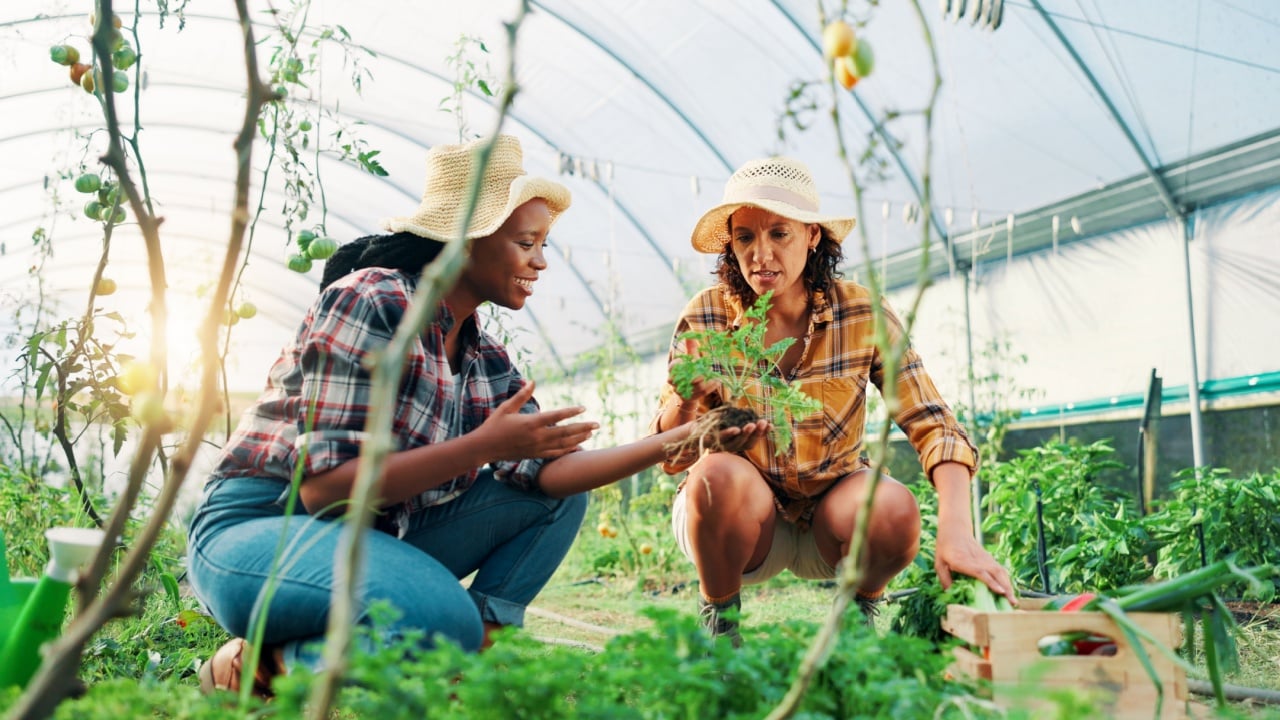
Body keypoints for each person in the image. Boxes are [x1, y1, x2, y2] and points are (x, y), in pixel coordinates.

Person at [189, 134, 719, 695]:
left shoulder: (482, 358)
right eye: (526, 242)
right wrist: (485, 447)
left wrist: (692, 434)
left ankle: (476, 658)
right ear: (468, 240)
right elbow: (324, 491)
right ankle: (258, 667)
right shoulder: (372, 298)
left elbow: (551, 476)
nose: (540, 261)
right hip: (262, 530)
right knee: (443, 621)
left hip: (371, 536)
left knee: (554, 503)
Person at [652, 155, 1014, 645]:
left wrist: (958, 531)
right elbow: (671, 460)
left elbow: (932, 421)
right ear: (730, 244)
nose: (760, 255)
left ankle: (856, 624)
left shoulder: (860, 311)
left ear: (813, 235)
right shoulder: (707, 315)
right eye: (745, 238)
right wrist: (686, 398)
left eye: (779, 234)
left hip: (832, 516)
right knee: (714, 475)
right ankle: (721, 624)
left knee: (893, 510)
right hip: (741, 525)